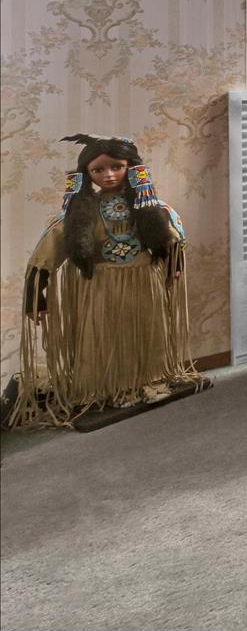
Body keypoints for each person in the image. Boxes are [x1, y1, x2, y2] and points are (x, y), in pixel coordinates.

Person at [6, 134, 206, 428]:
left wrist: (174, 263)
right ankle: (110, 387)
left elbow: (174, 238)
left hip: (144, 282)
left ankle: (149, 380)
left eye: (116, 167)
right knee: (103, 334)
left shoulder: (151, 208)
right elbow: (48, 250)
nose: (108, 175)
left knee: (148, 328)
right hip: (99, 286)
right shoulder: (78, 214)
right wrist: (38, 295)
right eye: (98, 170)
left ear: (132, 168)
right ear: (85, 175)